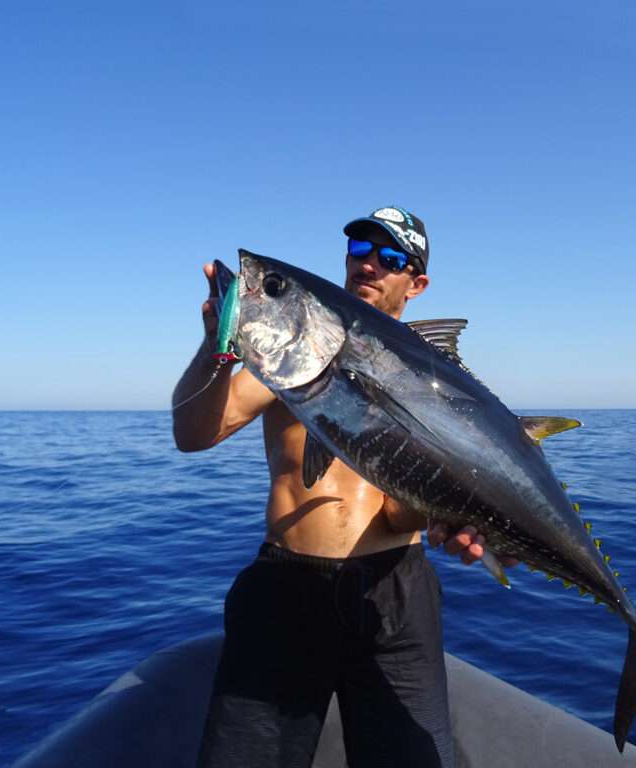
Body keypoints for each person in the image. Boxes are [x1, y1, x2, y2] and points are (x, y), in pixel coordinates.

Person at [172, 206, 512, 768]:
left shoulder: (430, 383)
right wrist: (216, 347)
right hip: (285, 591)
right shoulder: (295, 355)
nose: (371, 265)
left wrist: (444, 513)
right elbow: (192, 433)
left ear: (416, 282)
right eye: (360, 252)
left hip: (394, 598)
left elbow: (397, 516)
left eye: (391, 258)